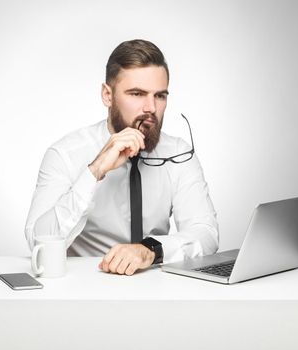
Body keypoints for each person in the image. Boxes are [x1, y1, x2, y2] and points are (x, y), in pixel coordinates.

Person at [25, 39, 218, 276]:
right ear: (107, 95)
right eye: (137, 94)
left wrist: (150, 250)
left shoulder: (178, 153)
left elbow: (206, 234)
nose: (151, 108)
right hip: (85, 290)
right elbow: (39, 245)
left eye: (160, 96)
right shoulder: (65, 154)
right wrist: (95, 171)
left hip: (157, 288)